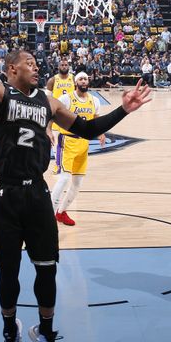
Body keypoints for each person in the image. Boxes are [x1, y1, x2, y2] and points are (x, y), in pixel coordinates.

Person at [0, 0, 152, 342]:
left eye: (36, 63)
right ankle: (10, 330)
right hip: (3, 191)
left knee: (47, 269)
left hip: (37, 190)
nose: (36, 66)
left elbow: (86, 129)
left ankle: (46, 331)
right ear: (12, 69)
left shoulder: (49, 102)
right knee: (8, 273)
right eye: (29, 63)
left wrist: (124, 109)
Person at [47, 72, 104, 226]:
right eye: (81, 79)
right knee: (64, 178)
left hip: (83, 144)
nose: (84, 81)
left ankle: (61, 212)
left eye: (85, 79)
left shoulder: (94, 100)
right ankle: (48, 214)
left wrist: (101, 132)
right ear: (75, 82)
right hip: (67, 141)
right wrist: (48, 129)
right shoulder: (66, 99)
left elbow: (96, 119)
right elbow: (53, 113)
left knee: (77, 183)